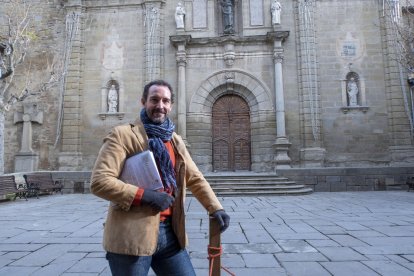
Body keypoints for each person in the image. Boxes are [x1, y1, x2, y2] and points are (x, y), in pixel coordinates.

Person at [91, 79, 230, 276]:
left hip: (171, 234)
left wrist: (215, 207)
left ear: (171, 105)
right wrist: (146, 196)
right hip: (131, 236)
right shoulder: (122, 135)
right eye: (154, 100)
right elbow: (100, 181)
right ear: (143, 102)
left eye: (165, 101)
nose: (160, 106)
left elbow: (195, 178)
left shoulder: (174, 140)